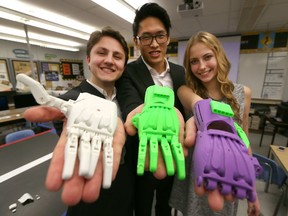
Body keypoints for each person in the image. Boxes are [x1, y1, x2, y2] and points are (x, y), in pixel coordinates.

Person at [24, 26, 135, 216]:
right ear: (89, 59)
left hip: (125, 190)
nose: (109, 60)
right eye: (102, 53)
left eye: (117, 56)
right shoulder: (71, 101)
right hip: (88, 193)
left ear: (124, 65)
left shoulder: (128, 99)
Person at [169, 31, 261, 216]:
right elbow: (196, 103)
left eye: (207, 57)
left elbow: (244, 141)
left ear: (219, 56)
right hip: (199, 173)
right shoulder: (186, 91)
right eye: (194, 61)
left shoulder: (243, 93)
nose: (201, 66)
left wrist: (252, 192)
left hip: (228, 173)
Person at [116, 3, 187, 216]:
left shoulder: (179, 72)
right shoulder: (128, 72)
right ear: (136, 42)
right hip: (143, 155)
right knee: (142, 208)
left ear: (168, 37)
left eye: (160, 36)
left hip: (173, 153)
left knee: (166, 206)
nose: (154, 44)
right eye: (146, 37)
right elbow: (130, 106)